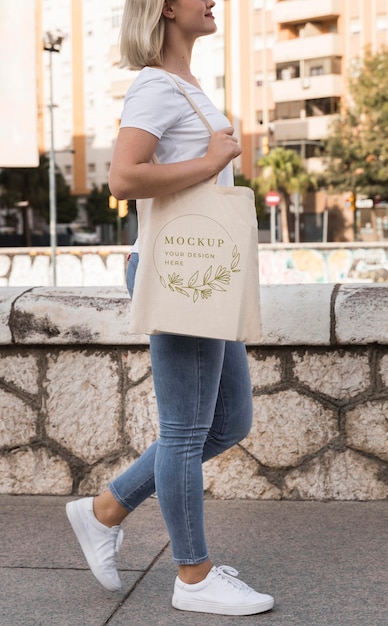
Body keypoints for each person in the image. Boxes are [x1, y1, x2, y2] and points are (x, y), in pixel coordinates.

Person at [66, 0, 274, 616]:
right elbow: (124, 178)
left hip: (206, 273)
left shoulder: (185, 85)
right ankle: (193, 576)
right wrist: (211, 161)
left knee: (229, 421)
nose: (213, 0)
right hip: (176, 271)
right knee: (185, 431)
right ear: (165, 8)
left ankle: (104, 510)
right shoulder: (154, 86)